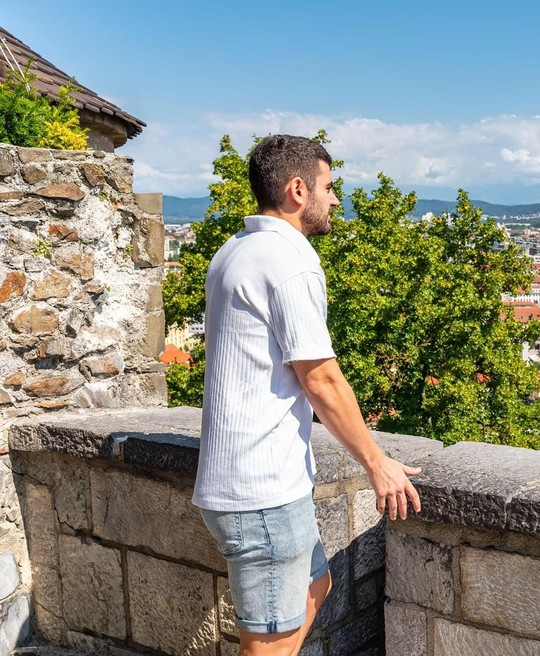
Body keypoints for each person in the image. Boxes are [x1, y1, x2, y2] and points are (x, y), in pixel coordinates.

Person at [192, 134, 421, 656]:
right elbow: (320, 377)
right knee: (267, 645)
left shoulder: (235, 251)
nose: (336, 199)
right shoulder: (289, 260)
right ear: (298, 189)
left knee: (315, 587)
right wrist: (376, 462)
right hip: (262, 489)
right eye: (328, 186)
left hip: (248, 482)